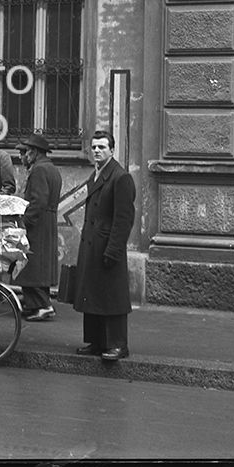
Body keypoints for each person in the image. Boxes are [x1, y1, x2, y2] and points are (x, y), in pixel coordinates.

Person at [73, 129, 137, 361]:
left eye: (102, 147)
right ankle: (97, 342)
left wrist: (113, 250)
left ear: (112, 149)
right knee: (93, 294)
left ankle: (118, 345)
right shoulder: (97, 174)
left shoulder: (121, 178)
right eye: (94, 147)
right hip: (92, 245)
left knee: (112, 297)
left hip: (108, 247)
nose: (97, 150)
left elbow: (124, 219)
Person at [14, 133, 63, 322]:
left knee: (32, 264)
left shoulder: (39, 170)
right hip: (46, 221)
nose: (21, 157)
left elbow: (38, 201)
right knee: (39, 266)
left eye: (24, 153)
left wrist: (24, 223)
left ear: (33, 152)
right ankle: (35, 304)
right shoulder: (50, 168)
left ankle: (43, 306)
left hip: (38, 223)